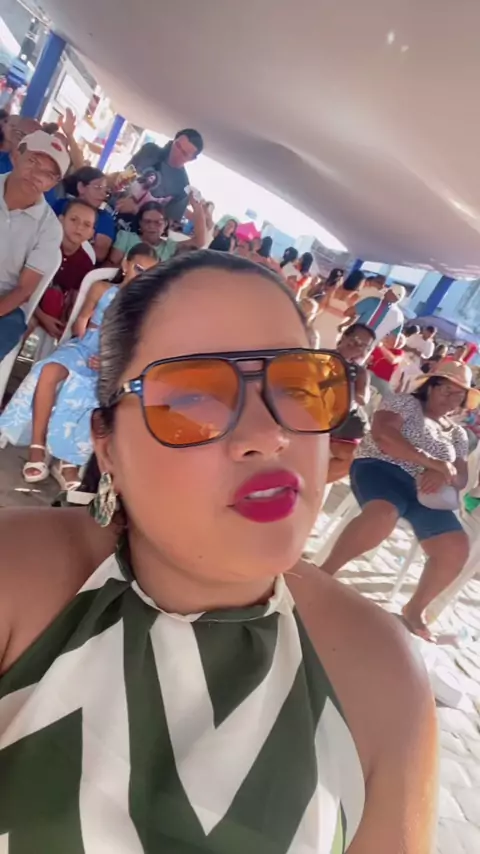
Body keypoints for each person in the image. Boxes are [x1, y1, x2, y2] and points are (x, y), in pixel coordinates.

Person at [0, 250, 436, 851]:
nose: (268, 435)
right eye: (193, 396)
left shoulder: (381, 674)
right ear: (108, 446)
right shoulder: (18, 575)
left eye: (297, 386)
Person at [319, 360, 473, 640]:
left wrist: (444, 474)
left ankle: (415, 609)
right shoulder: (404, 403)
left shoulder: (458, 434)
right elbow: (384, 436)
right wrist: (433, 463)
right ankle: (324, 573)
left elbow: (462, 476)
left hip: (426, 491)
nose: (452, 398)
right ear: (431, 386)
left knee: (456, 545)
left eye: (458, 394)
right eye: (446, 390)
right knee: (384, 514)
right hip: (381, 468)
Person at [0, 243, 158, 490]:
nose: (142, 276)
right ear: (126, 264)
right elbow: (81, 320)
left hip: (113, 360)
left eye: (150, 273)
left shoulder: (146, 309)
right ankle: (37, 447)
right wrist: (84, 338)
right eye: (138, 268)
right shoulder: (102, 288)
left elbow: (139, 346)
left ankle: (68, 460)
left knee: (95, 390)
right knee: (49, 369)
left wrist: (110, 360)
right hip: (85, 346)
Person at [0, 130, 68, 359]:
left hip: (5, 303)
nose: (37, 175)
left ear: (52, 184)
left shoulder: (50, 228)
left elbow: (24, 290)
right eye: (33, 161)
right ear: (16, 156)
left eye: (48, 174)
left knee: (9, 326)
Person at [33, 199, 97, 340]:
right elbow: (23, 288)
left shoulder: (85, 263)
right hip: (27, 305)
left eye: (86, 225)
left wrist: (63, 322)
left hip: (53, 310)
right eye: (74, 220)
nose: (79, 227)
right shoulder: (42, 245)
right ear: (61, 220)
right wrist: (41, 316)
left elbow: (73, 301)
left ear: (91, 233)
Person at [114, 128, 204, 224]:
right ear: (173, 140)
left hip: (135, 228)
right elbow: (124, 175)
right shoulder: (149, 151)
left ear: (192, 159)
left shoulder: (182, 186)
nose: (177, 153)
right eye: (177, 145)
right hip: (113, 205)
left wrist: (136, 209)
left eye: (184, 154)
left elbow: (168, 223)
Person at [328, 323, 376, 483]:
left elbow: (363, 398)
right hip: (314, 415)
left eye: (364, 346)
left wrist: (349, 384)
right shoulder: (322, 357)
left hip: (343, 421)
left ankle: (313, 484)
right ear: (344, 337)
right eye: (355, 340)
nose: (357, 346)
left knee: (356, 458)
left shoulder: (359, 371)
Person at [110, 196, 205, 265]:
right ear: (140, 223)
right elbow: (112, 265)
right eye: (147, 221)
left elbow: (199, 242)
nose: (152, 226)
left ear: (165, 224)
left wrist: (197, 207)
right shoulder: (126, 237)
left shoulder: (169, 247)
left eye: (158, 222)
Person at [54, 167, 115, 263]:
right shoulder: (61, 205)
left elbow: (99, 254)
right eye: (98, 187)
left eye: (105, 190)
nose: (103, 195)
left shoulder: (105, 219)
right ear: (81, 187)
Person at [313, 269, 365, 347]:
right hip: (336, 326)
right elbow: (353, 316)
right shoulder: (355, 297)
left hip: (322, 319)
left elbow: (322, 305)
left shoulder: (335, 288)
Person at [369, 332, 406, 398]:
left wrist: (381, 347)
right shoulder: (377, 347)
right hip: (371, 374)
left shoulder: (399, 352)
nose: (387, 336)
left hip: (384, 381)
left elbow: (393, 360)